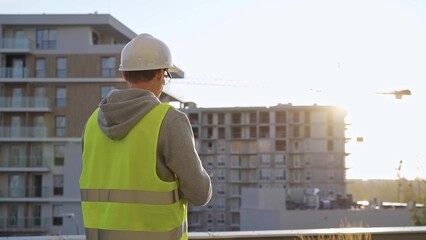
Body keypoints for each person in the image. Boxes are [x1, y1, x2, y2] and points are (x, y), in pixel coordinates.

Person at [79, 33, 212, 240]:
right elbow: (199, 193)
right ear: (160, 74)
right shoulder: (169, 120)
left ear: (125, 76)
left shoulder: (93, 122)